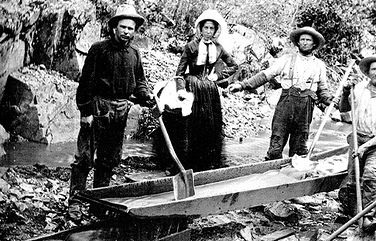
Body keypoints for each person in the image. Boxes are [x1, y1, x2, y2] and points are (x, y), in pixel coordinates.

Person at [69, 4, 155, 207]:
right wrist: (86, 111)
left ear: (135, 31)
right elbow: (86, 82)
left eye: (130, 28)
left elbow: (139, 81)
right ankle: (75, 203)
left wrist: (146, 95)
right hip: (99, 107)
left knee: (108, 160)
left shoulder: (134, 53)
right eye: (123, 27)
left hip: (121, 110)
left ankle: (99, 203)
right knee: (84, 159)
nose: (126, 31)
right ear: (114, 27)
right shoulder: (99, 49)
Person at [228, 26, 332, 160]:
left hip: (304, 111)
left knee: (299, 150)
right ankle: (270, 176)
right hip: (285, 107)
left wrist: (330, 100)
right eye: (302, 40)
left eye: (308, 40)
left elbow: (323, 90)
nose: (305, 42)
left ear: (314, 44)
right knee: (275, 147)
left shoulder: (319, 65)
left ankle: (294, 176)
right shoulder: (286, 59)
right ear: (298, 43)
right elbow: (265, 75)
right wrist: (242, 85)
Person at [165, 9, 237, 172]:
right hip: (192, 88)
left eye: (212, 28)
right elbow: (179, 72)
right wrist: (181, 90)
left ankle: (204, 164)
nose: (209, 32)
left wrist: (218, 76)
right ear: (200, 28)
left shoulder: (219, 48)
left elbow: (234, 66)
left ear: (216, 30)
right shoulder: (191, 46)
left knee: (209, 126)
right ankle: (182, 165)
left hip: (209, 90)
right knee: (188, 125)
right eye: (206, 28)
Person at [337, 53, 376, 233]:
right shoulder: (358, 89)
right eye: (373, 69)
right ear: (368, 72)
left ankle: (367, 217)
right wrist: (344, 93)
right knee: (352, 179)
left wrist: (365, 147)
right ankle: (351, 214)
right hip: (358, 137)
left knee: (371, 175)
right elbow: (344, 111)